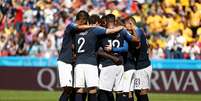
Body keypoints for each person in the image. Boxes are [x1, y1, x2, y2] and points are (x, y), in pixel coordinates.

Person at [73, 11, 124, 101]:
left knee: (79, 90)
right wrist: (122, 26)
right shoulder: (95, 30)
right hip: (91, 63)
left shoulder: (75, 30)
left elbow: (72, 46)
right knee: (92, 90)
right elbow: (111, 30)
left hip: (79, 63)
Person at [98, 14, 139, 101]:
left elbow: (98, 50)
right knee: (119, 91)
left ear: (106, 22)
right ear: (115, 21)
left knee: (103, 91)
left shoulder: (103, 32)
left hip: (107, 64)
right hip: (120, 65)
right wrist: (131, 28)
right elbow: (136, 39)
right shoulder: (122, 31)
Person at [133, 18, 152, 101]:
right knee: (138, 91)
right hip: (142, 65)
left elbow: (138, 44)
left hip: (142, 67)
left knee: (141, 91)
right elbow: (149, 46)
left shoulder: (139, 33)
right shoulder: (143, 35)